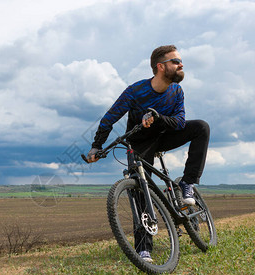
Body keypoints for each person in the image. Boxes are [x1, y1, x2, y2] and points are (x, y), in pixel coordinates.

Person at [85, 45, 210, 262]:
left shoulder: (176, 91)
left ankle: (187, 184)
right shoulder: (136, 91)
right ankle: (144, 248)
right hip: (140, 142)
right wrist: (97, 146)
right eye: (175, 61)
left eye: (180, 61)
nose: (181, 65)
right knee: (140, 190)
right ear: (160, 67)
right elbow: (109, 119)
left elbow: (180, 122)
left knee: (201, 127)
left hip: (166, 134)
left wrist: (157, 117)